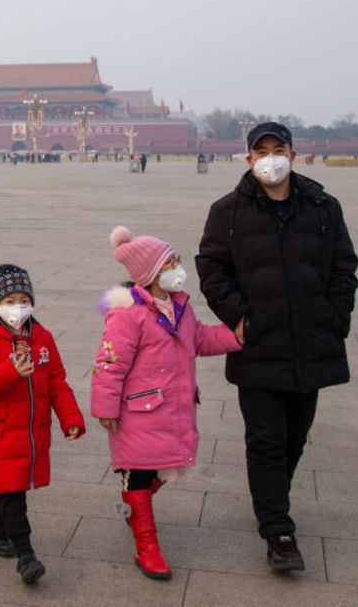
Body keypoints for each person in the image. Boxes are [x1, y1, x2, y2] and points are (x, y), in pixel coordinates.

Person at [196, 121, 358, 572]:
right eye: (261, 150)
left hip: (311, 340)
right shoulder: (227, 211)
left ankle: (272, 499)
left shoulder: (324, 207)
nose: (271, 157)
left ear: (293, 153)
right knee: (266, 439)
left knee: (294, 438)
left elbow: (345, 265)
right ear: (248, 158)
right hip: (260, 342)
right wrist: (239, 316)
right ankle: (278, 530)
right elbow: (211, 267)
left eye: (278, 148)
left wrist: (335, 316)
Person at [93, 228, 242, 580]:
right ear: (150, 274)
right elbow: (109, 362)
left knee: (159, 470)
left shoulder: (180, 306)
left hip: (172, 410)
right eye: (170, 263)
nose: (178, 268)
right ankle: (147, 546)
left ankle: (132, 503)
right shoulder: (128, 314)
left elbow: (201, 338)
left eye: (175, 260)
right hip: (137, 413)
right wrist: (105, 407)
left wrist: (235, 337)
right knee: (140, 473)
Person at [0, 264, 85, 585]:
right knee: (14, 493)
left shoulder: (42, 337)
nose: (17, 307)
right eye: (10, 301)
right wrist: (9, 372)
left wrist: (71, 418)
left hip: (32, 434)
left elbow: (57, 382)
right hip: (2, 433)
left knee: (9, 487)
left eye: (23, 299)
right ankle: (26, 555)